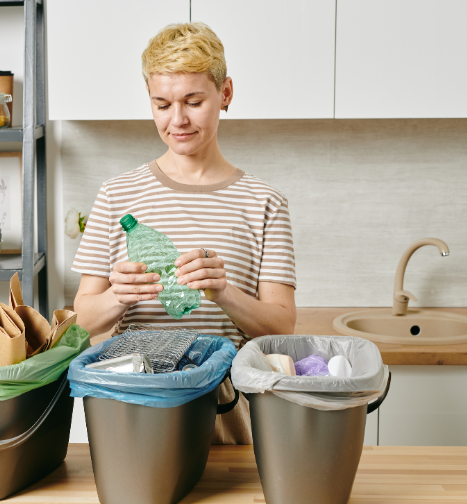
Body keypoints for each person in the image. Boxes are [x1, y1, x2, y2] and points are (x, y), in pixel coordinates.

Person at [71, 22, 297, 444]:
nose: (177, 120)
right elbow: (80, 321)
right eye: (162, 104)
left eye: (193, 101)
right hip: (135, 405)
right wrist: (117, 296)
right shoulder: (116, 195)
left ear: (225, 93)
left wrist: (224, 292)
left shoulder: (265, 202)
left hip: (229, 405)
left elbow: (281, 324)